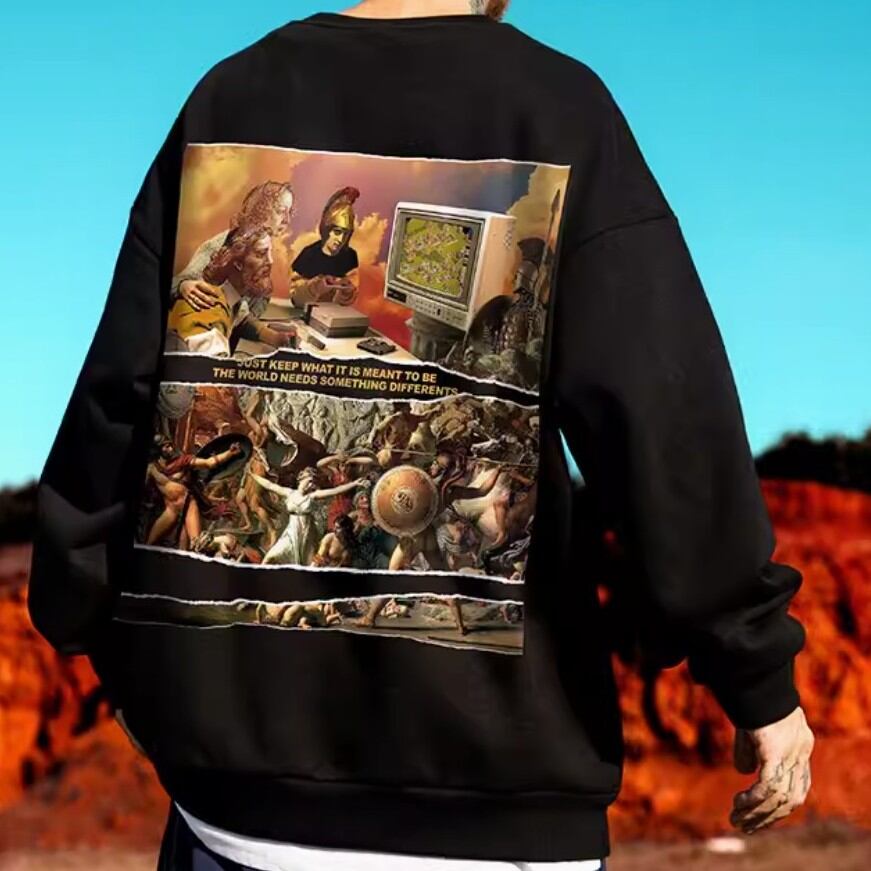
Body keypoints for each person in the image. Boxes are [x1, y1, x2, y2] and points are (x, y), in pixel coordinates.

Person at [27, 1, 814, 871]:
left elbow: (117, 401)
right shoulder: (557, 108)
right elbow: (665, 419)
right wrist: (753, 672)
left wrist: (87, 619)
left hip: (232, 802)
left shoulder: (230, 96)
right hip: (488, 806)